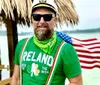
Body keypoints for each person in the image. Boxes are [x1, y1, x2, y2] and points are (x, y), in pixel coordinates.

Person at [10, 0, 83, 85]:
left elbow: (76, 82)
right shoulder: (22, 45)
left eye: (47, 17)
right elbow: (16, 78)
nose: (41, 21)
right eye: (37, 17)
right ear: (32, 19)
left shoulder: (66, 49)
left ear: (55, 20)